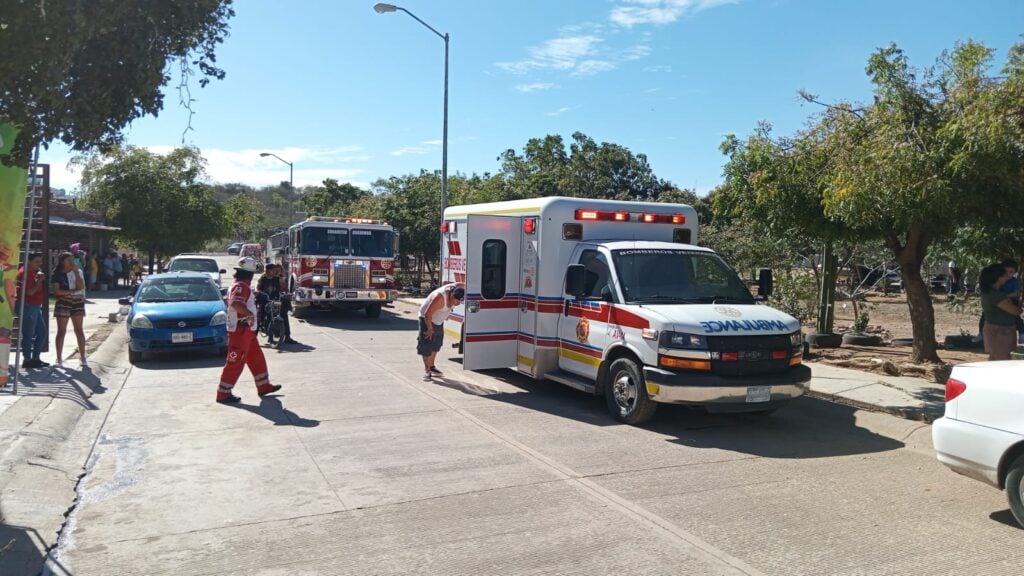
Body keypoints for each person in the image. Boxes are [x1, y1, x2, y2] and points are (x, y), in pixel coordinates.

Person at [216, 257, 281, 404]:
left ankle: (263, 386)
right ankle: (223, 393)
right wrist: (249, 314)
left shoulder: (241, 285)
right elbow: (236, 304)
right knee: (235, 362)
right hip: (240, 331)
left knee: (256, 358)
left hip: (247, 331)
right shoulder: (241, 286)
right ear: (250, 274)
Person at [417, 282, 465, 382]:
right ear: (452, 295)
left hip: (438, 321)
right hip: (427, 319)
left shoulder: (457, 289)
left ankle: (432, 366)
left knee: (437, 344)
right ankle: (427, 371)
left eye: (460, 301)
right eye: (455, 301)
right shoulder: (440, 299)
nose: (457, 303)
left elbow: (461, 283)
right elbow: (427, 314)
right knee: (426, 345)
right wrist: (429, 329)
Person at [978, 263, 1022, 361]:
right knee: (1003, 361)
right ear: (998, 278)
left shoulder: (993, 292)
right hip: (1000, 332)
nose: (1007, 278)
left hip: (998, 330)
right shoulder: (995, 295)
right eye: (1005, 275)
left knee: (994, 360)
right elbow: (1016, 311)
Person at [51, 251, 88, 368]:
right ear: (63, 261)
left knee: (79, 330)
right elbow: (57, 292)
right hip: (63, 302)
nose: (71, 262)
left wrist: (76, 272)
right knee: (61, 331)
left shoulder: (77, 271)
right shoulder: (57, 274)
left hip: (77, 301)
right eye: (69, 260)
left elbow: (80, 287)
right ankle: (59, 358)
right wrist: (70, 292)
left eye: (73, 259)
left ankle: (83, 357)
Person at [15, 253, 49, 369]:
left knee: (42, 332)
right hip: (28, 305)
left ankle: (35, 358)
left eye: (40, 262)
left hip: (34, 305)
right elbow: (29, 292)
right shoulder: (25, 274)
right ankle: (27, 359)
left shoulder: (33, 272)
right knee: (29, 334)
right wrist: (39, 280)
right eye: (36, 262)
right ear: (29, 261)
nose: (39, 264)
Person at [256, 264, 296, 345]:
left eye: (275, 270)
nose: (275, 271)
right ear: (267, 271)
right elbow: (258, 288)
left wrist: (286, 293)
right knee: (261, 316)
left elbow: (284, 288)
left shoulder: (278, 279)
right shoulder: (262, 279)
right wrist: (259, 292)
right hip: (265, 301)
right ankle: (258, 333)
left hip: (276, 301)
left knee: (283, 315)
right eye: (273, 270)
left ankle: (286, 336)